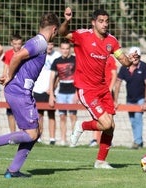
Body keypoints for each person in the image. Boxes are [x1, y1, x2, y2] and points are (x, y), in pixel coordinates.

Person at [0, 12, 60, 178]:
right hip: (20, 91)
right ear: (54, 29)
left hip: (22, 91)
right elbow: (17, 56)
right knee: (31, 133)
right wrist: (9, 76)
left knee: (36, 131)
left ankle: (13, 170)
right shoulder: (40, 42)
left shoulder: (39, 41)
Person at [59, 7, 137, 169]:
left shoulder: (111, 41)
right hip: (86, 89)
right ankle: (82, 125)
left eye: (107, 21)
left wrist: (130, 60)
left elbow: (123, 61)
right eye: (101, 21)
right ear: (93, 23)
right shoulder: (83, 36)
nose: (105, 24)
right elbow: (62, 33)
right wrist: (66, 21)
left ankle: (100, 161)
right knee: (106, 124)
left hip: (102, 89)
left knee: (111, 126)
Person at [114, 47, 146, 149]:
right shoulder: (124, 68)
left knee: (138, 118)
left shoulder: (145, 67)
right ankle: (138, 140)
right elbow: (117, 83)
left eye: (137, 56)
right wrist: (115, 101)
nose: (135, 58)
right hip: (130, 98)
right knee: (132, 121)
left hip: (141, 98)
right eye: (133, 56)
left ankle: (138, 142)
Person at [49, 39, 78, 146]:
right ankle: (63, 139)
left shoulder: (75, 59)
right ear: (60, 49)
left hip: (72, 92)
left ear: (70, 49)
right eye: (63, 49)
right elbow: (52, 78)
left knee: (73, 116)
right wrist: (51, 95)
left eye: (67, 49)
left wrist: (77, 93)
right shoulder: (56, 61)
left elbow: (80, 76)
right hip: (61, 92)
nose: (65, 51)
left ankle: (73, 140)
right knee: (62, 116)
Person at [33, 42, 61, 145]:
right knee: (39, 115)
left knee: (51, 114)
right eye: (47, 44)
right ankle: (38, 137)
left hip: (51, 91)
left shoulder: (57, 56)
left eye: (51, 44)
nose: (49, 46)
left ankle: (52, 139)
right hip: (38, 89)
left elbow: (58, 76)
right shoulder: (38, 55)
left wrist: (52, 89)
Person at [89, 55, 118, 147]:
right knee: (97, 115)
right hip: (97, 92)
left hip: (107, 92)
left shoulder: (110, 58)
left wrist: (109, 89)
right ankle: (95, 139)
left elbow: (114, 74)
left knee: (109, 118)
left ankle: (106, 141)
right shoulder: (94, 57)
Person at [1, 34, 23, 132]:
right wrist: (3, 77)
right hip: (10, 84)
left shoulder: (24, 53)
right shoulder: (8, 54)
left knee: (21, 110)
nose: (17, 46)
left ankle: (23, 133)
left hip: (21, 85)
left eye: (19, 44)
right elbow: (5, 67)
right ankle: (13, 134)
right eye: (15, 44)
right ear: (11, 44)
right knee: (10, 111)